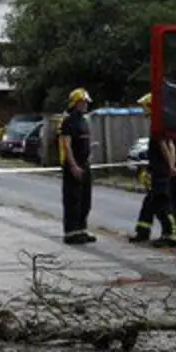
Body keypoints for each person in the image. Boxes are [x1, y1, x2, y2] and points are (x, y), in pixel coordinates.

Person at [129, 93, 174, 243]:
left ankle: (170, 235)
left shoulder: (157, 126)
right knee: (149, 204)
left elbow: (164, 147)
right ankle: (143, 232)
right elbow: (170, 145)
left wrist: (170, 166)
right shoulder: (161, 123)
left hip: (160, 173)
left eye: (145, 107)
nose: (144, 110)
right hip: (157, 171)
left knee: (161, 205)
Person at [58, 87, 96, 245]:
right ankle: (71, 232)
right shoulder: (68, 121)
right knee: (73, 199)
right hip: (74, 165)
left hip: (85, 164)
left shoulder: (84, 121)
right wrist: (73, 166)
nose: (86, 105)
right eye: (83, 102)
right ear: (76, 103)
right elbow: (67, 145)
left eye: (86, 102)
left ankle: (82, 229)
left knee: (85, 199)